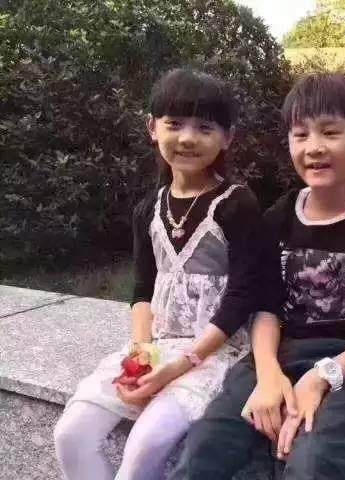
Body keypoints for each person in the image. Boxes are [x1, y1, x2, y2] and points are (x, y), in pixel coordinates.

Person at [170, 72, 345, 480]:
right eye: (300, 135)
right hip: (278, 354)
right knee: (206, 447)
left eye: (330, 132)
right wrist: (268, 375)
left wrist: (321, 377)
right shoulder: (279, 216)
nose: (314, 147)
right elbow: (266, 309)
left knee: (312, 461)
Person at [54, 68, 263, 480]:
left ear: (227, 137)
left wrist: (182, 363)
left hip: (217, 353)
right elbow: (142, 288)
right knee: (70, 434)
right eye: (174, 124)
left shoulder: (237, 205)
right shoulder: (148, 208)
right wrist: (140, 353)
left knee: (145, 444)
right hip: (157, 348)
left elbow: (243, 297)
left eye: (204, 127)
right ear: (153, 128)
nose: (187, 138)